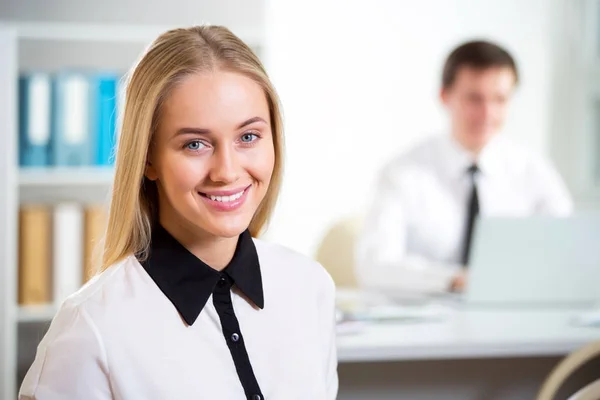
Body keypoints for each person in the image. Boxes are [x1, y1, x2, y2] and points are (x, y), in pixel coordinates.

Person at [19, 25, 338, 400]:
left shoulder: (309, 287)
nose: (227, 171)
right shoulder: (91, 328)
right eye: (195, 144)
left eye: (248, 137)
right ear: (148, 157)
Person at [355, 40, 573, 295]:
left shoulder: (535, 172)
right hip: (427, 321)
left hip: (514, 314)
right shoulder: (402, 173)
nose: (487, 113)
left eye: (500, 100)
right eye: (474, 99)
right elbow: (374, 266)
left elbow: (566, 253)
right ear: (445, 96)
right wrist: (455, 280)